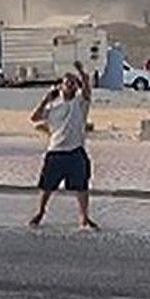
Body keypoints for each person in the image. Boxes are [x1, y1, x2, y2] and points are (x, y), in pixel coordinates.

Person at [28, 60, 99, 230]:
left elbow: (88, 91)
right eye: (67, 83)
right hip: (56, 151)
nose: (70, 86)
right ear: (60, 87)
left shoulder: (80, 103)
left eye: (73, 84)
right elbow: (35, 117)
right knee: (47, 186)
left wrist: (82, 72)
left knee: (81, 186)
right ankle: (40, 212)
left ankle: (84, 217)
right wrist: (46, 99)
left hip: (75, 151)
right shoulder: (53, 105)